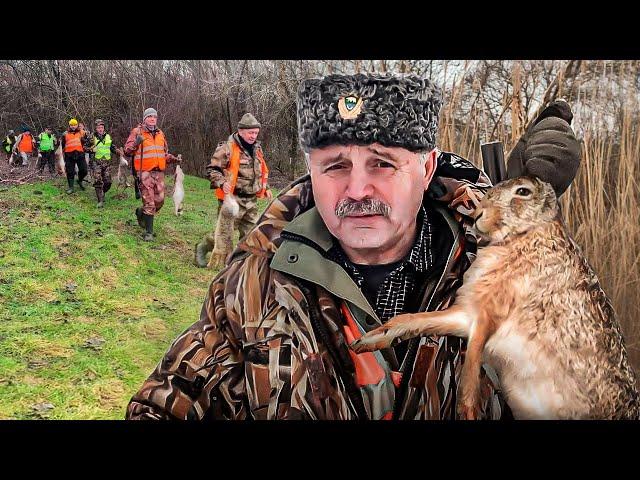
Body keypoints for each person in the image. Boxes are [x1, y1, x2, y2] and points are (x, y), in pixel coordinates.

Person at [126, 73, 581, 420]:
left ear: (425, 173)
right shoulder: (255, 280)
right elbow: (172, 400)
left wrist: (533, 227)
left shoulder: (511, 277)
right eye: (335, 166)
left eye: (383, 164)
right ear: (311, 172)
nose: (357, 190)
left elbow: (584, 385)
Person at [194, 113, 272, 268]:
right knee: (224, 235)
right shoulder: (227, 148)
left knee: (251, 234)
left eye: (256, 133)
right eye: (250, 133)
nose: (253, 136)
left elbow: (259, 171)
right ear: (241, 131)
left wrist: (266, 188)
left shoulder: (257, 148)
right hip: (232, 200)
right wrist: (222, 183)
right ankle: (203, 247)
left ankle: (242, 266)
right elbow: (212, 170)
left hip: (251, 201)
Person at [123, 107, 180, 241]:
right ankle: (149, 233)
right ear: (145, 119)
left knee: (159, 201)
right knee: (149, 202)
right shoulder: (137, 132)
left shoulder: (160, 134)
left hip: (159, 172)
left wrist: (172, 159)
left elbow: (163, 153)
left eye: (154, 117)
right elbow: (127, 151)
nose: (152, 119)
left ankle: (140, 213)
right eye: (149, 117)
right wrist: (136, 143)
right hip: (144, 172)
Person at [90, 119, 117, 208]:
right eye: (98, 127)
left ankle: (103, 192)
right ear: (96, 129)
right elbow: (84, 147)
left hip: (107, 162)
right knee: (98, 180)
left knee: (108, 182)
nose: (100, 129)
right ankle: (100, 200)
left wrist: (118, 151)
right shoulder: (92, 137)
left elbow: (112, 147)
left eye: (102, 127)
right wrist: (91, 149)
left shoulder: (108, 136)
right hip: (96, 162)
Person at [60, 118, 90, 193]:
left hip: (80, 154)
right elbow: (61, 145)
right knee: (70, 171)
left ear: (77, 125)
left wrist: (88, 137)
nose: (73, 126)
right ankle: (71, 187)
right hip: (69, 155)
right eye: (71, 125)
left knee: (84, 170)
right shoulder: (65, 134)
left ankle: (79, 180)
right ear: (69, 125)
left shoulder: (82, 133)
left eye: (75, 125)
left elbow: (86, 142)